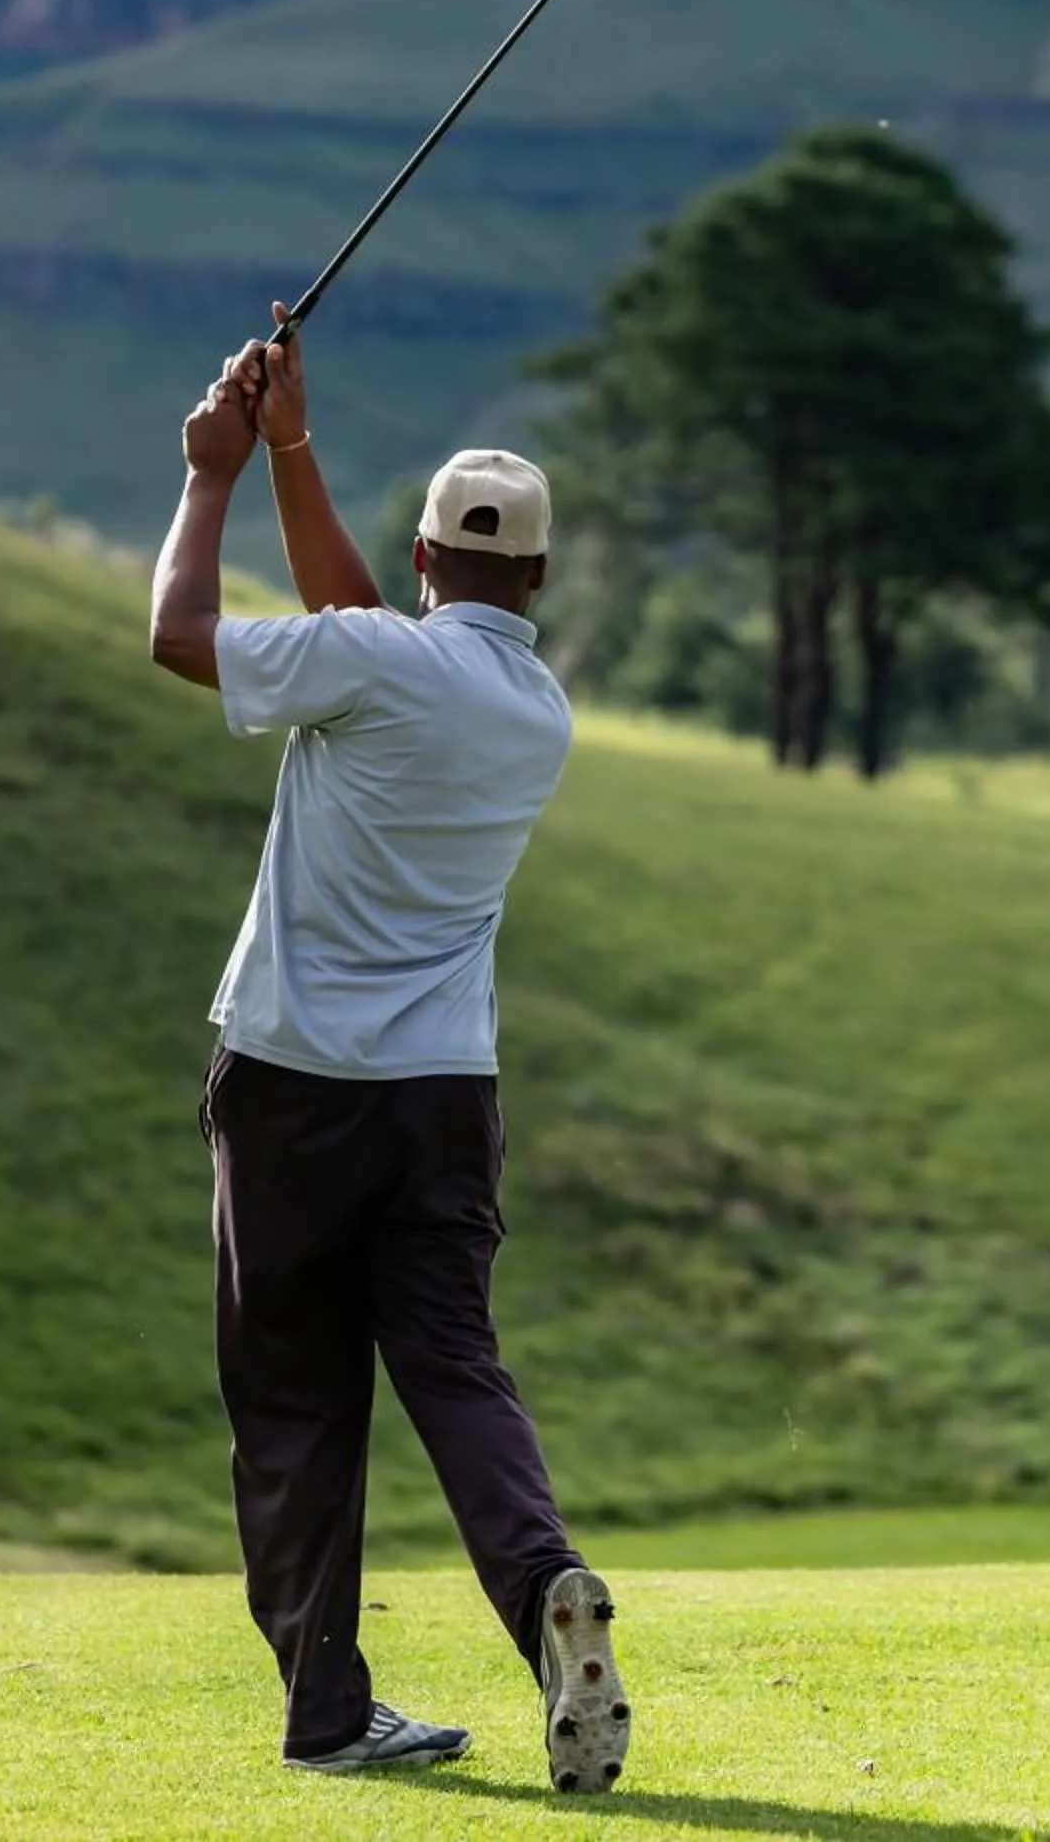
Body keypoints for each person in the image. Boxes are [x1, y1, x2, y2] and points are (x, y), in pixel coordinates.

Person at [148, 305, 632, 1791]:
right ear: (536, 579)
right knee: (455, 1365)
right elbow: (367, 632)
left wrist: (214, 472)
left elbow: (179, 636)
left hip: (292, 1088)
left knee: (295, 1402)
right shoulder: (532, 709)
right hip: (440, 1102)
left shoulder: (375, 660)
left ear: (424, 556)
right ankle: (541, 1583)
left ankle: (325, 1712)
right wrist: (291, 448)